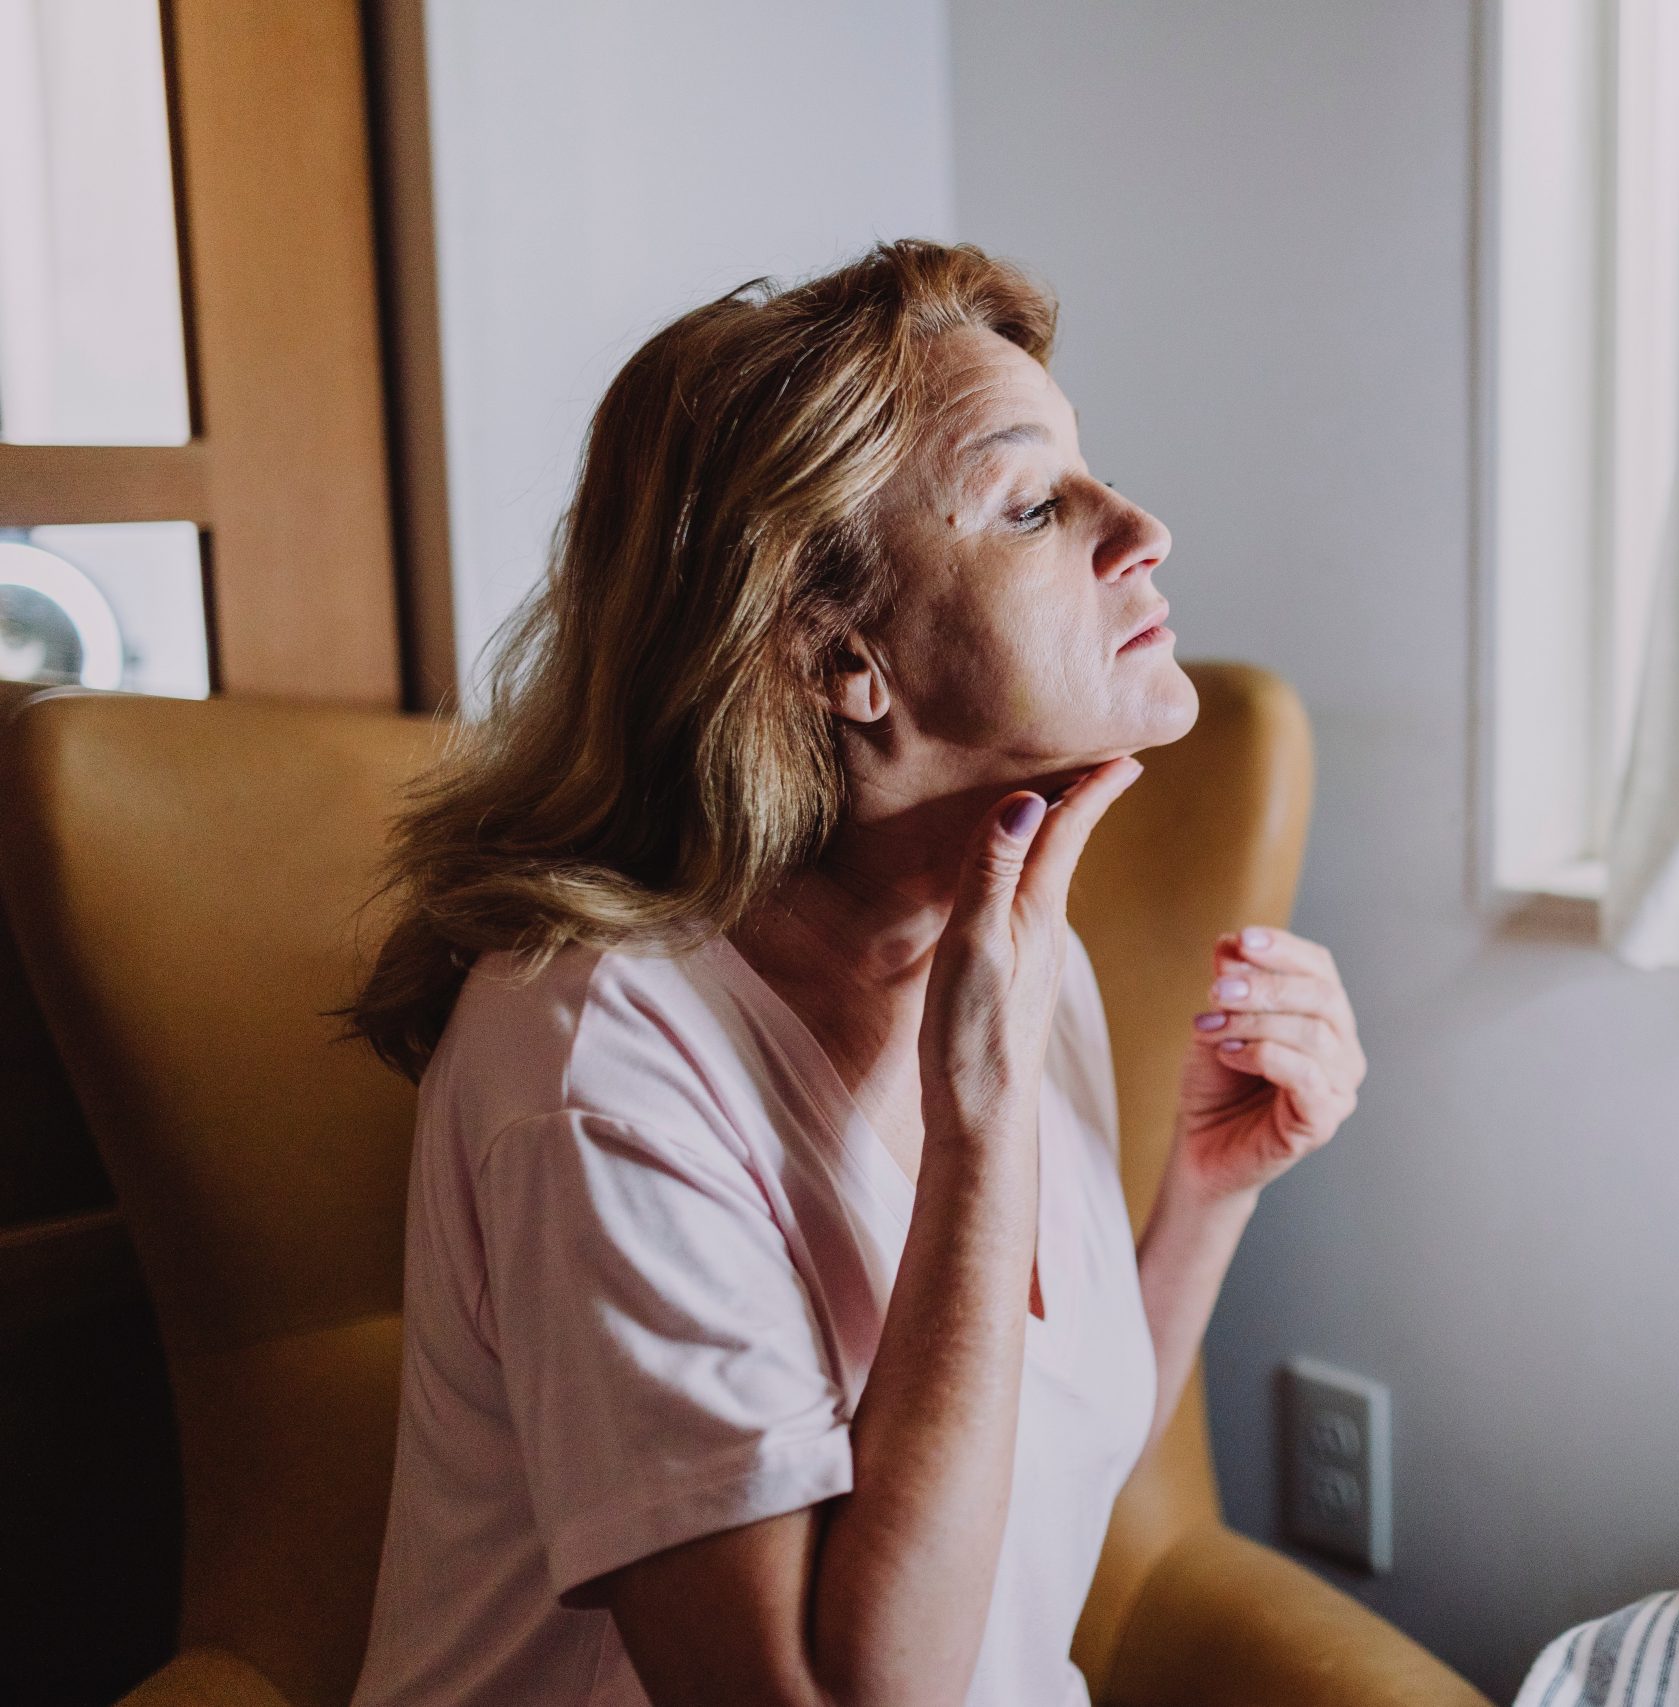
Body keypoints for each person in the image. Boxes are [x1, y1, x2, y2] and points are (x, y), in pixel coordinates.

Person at [345, 239, 1365, 1706]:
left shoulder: (1013, 951)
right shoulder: (595, 1068)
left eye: (1091, 475)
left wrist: (1208, 1194)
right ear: (838, 658)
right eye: (1031, 505)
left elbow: (1025, 1490)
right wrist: (983, 1106)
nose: (1138, 526)